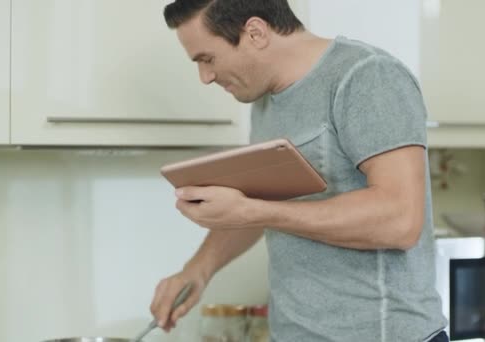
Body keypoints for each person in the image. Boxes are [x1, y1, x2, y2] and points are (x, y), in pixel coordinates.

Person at [150, 0, 449, 341]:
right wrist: (197, 271)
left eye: (207, 58)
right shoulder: (263, 99)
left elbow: (400, 220)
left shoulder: (367, 76)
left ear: (255, 32)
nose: (205, 77)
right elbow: (259, 206)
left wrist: (254, 210)